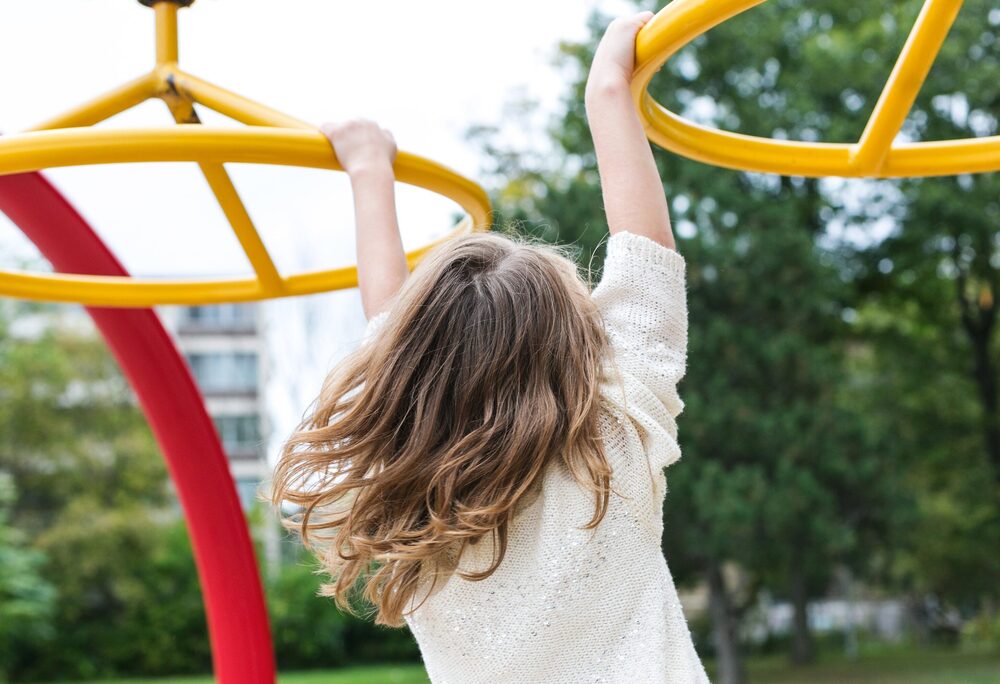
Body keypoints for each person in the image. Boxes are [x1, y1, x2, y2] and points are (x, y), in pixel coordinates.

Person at [271, 11, 710, 683]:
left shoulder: (413, 491)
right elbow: (645, 256)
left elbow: (388, 323)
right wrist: (605, 92)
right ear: (575, 342)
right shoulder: (613, 440)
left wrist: (368, 170)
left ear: (406, 370)